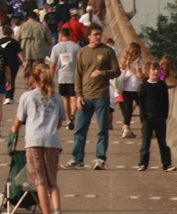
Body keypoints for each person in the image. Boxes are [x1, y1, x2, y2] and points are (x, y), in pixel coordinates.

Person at [10, 64, 68, 214]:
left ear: (33, 80)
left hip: (34, 141)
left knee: (40, 182)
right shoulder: (57, 97)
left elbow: (19, 121)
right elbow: (60, 122)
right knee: (52, 181)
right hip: (52, 141)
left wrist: (13, 132)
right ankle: (57, 209)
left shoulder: (27, 96)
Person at [64, 23, 120, 171]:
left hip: (101, 95)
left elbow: (117, 71)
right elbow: (78, 75)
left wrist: (104, 73)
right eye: (95, 34)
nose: (98, 37)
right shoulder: (82, 52)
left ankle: (100, 158)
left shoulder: (107, 51)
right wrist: (78, 95)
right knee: (80, 129)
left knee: (102, 129)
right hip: (85, 96)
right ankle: (77, 158)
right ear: (88, 36)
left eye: (99, 34)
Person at [137, 61, 176, 172]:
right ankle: (143, 164)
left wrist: (165, 115)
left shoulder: (161, 85)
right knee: (146, 142)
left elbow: (165, 100)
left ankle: (167, 164)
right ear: (148, 71)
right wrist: (143, 116)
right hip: (148, 117)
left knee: (162, 142)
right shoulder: (144, 85)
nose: (155, 72)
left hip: (160, 116)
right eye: (153, 70)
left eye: (157, 70)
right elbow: (141, 101)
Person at [48, 28, 80, 131]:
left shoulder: (57, 48)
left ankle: (68, 119)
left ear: (61, 36)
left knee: (65, 98)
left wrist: (50, 78)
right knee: (74, 98)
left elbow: (53, 65)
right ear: (70, 35)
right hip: (74, 76)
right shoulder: (76, 47)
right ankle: (72, 114)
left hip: (62, 76)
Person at [16, 10, 53, 87]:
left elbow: (16, 41)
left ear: (28, 18)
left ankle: (28, 87)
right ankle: (39, 87)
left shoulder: (22, 27)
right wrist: (46, 50)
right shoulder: (42, 27)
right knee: (39, 72)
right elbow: (50, 41)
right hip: (39, 54)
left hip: (26, 54)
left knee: (27, 73)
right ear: (36, 18)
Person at [118, 42, 145, 139]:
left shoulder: (123, 62)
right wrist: (146, 76)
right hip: (136, 89)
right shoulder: (137, 62)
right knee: (143, 108)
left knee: (128, 110)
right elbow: (139, 75)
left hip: (125, 89)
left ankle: (126, 129)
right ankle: (145, 127)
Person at [0, 25, 23, 105]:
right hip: (13, 63)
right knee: (11, 79)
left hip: (1, 63)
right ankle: (9, 97)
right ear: (12, 33)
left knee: (3, 79)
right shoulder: (14, 42)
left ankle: (2, 95)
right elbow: (19, 53)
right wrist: (24, 61)